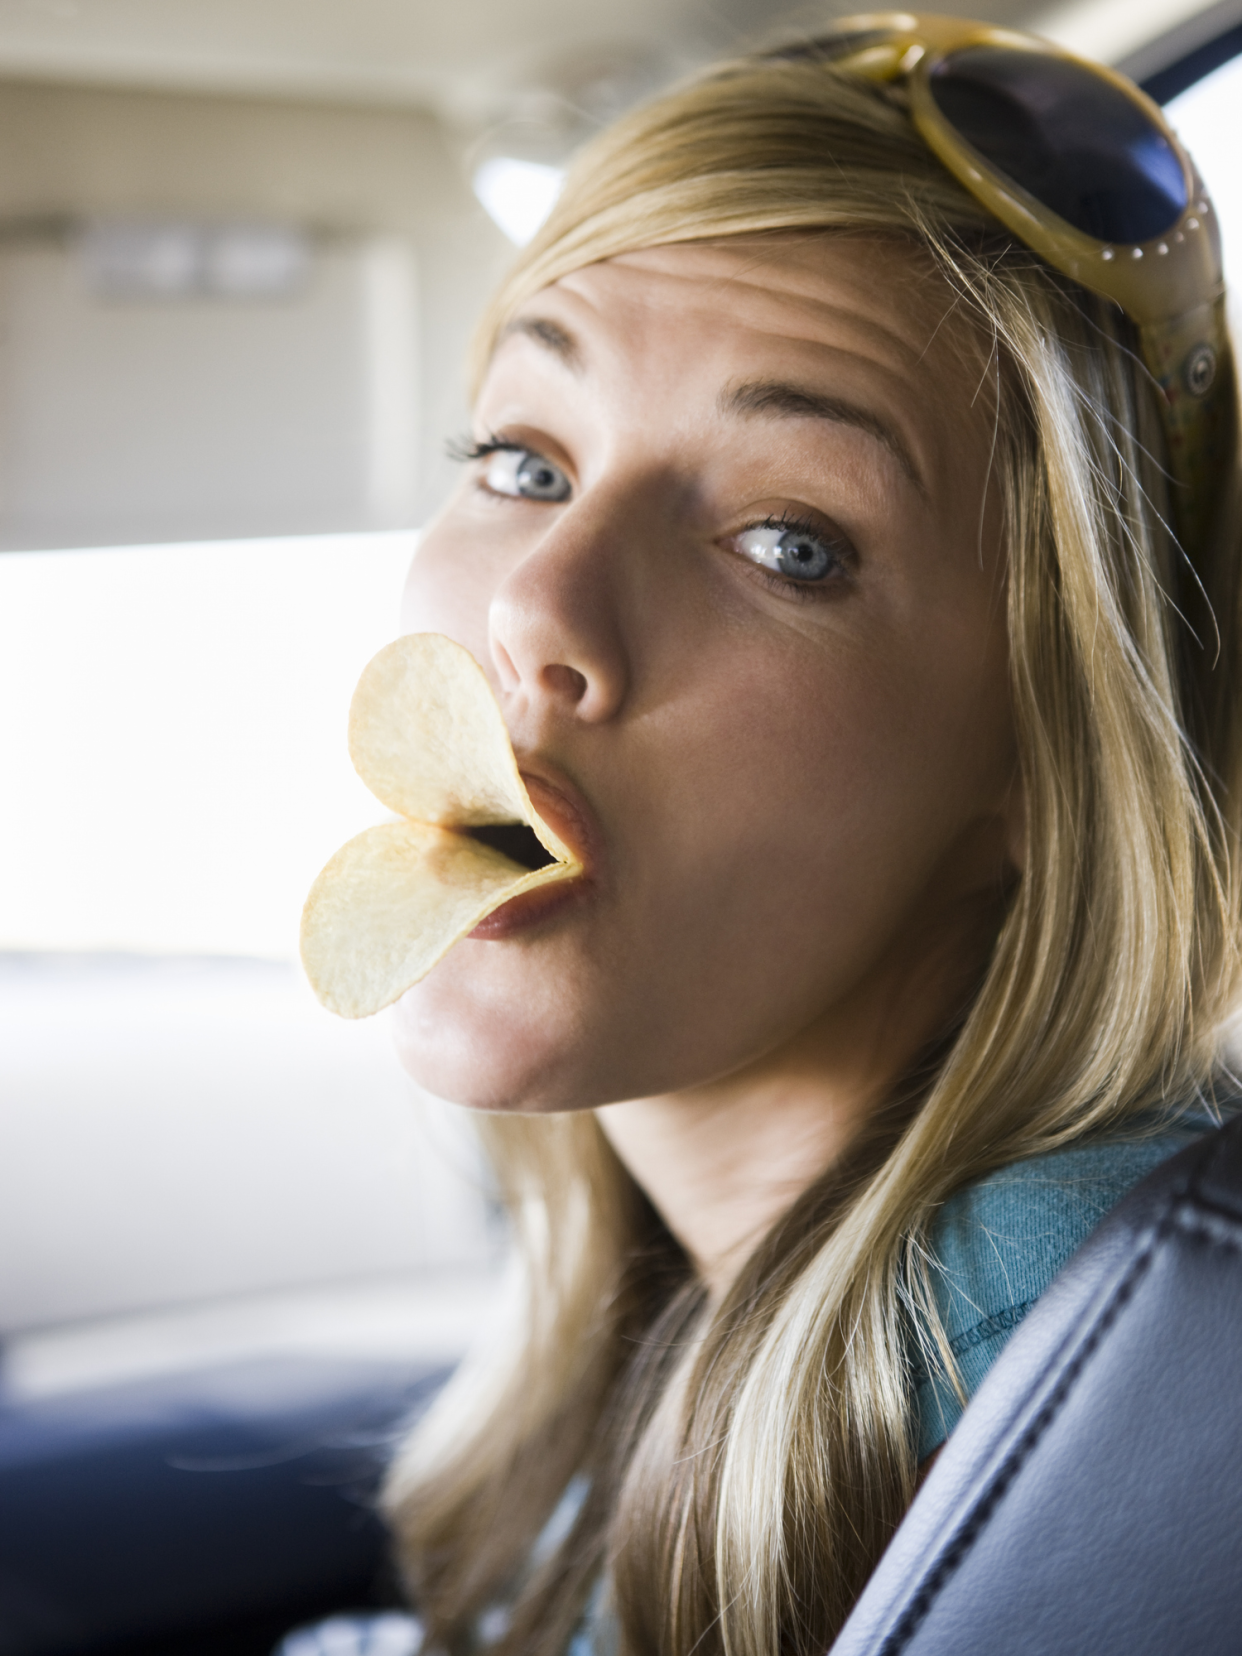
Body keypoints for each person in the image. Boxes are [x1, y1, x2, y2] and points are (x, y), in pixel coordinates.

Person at [311, 17, 1242, 1656]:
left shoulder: (1071, 1362)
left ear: (1042, 761)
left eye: (788, 543)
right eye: (525, 460)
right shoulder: (717, 1300)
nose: (534, 605)